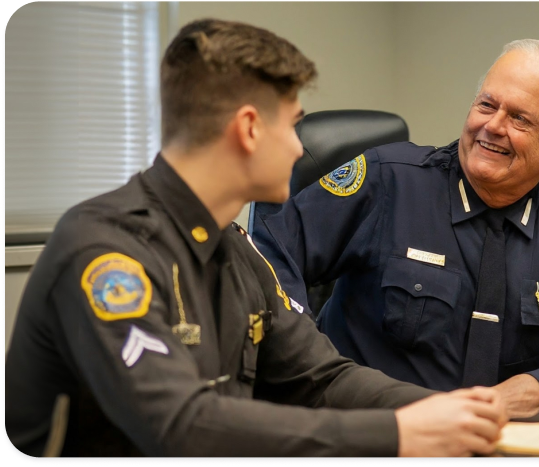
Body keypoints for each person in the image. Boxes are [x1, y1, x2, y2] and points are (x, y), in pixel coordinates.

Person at [4, 19, 508, 459]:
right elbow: (181, 428)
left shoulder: (236, 249)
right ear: (248, 129)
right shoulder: (106, 251)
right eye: (293, 125)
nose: (299, 146)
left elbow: (321, 378)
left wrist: (444, 409)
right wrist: (398, 433)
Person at [251, 39, 539, 419]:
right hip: (367, 430)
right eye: (486, 104)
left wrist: (534, 387)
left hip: (497, 440)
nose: (493, 126)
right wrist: (314, 366)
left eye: (519, 118)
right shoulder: (386, 182)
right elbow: (267, 255)